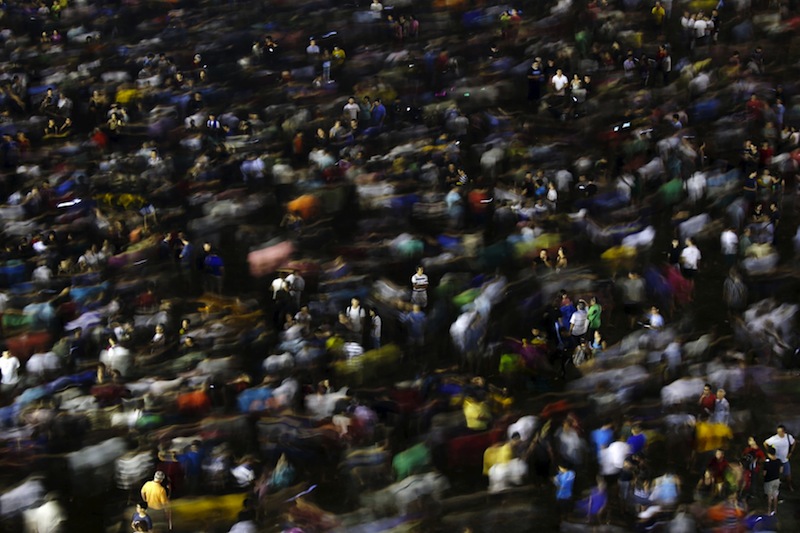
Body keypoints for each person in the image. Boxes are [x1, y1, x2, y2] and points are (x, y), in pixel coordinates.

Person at [764, 424, 795, 491]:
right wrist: (769, 452)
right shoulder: (774, 438)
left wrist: (791, 452)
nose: (779, 433)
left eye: (780, 431)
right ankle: (776, 488)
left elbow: (794, 442)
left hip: (785, 459)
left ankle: (789, 486)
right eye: (778, 431)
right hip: (776, 460)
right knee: (776, 475)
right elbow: (765, 443)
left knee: (788, 474)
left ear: (784, 431)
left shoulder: (788, 437)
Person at [763, 446, 782, 515]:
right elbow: (781, 470)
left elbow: (764, 473)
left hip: (769, 481)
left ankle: (769, 511)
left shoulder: (767, 462)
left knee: (769, 496)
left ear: (768, 453)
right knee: (775, 495)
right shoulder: (779, 461)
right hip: (777, 480)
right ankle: (775, 510)